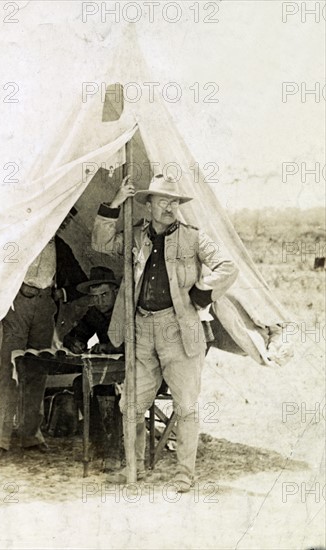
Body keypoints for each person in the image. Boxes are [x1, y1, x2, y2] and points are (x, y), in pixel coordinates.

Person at [92, 174, 238, 488]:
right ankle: (136, 467)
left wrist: (201, 294)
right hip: (141, 328)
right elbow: (100, 243)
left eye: (174, 202)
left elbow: (228, 266)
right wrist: (115, 204)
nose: (170, 207)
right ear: (149, 204)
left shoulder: (194, 238)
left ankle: (185, 473)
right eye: (163, 201)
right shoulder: (135, 235)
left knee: (185, 405)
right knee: (130, 405)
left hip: (180, 329)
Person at [0, 209, 87, 459]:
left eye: (65, 219)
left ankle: (31, 435)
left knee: (37, 370)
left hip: (45, 308)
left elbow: (80, 283)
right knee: (10, 370)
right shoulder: (22, 239)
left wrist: (60, 294)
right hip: (19, 303)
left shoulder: (60, 247)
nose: (61, 222)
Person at [63, 267, 123, 471]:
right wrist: (74, 343)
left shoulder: (128, 310)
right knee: (81, 384)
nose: (100, 301)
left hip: (139, 371)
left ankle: (115, 449)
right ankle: (99, 441)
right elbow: (72, 335)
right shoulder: (95, 313)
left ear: (116, 291)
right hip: (109, 372)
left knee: (121, 391)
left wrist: (111, 347)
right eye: (95, 297)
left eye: (105, 295)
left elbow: (140, 341)